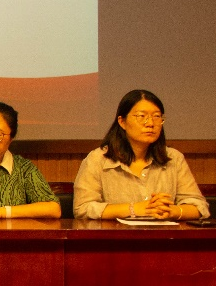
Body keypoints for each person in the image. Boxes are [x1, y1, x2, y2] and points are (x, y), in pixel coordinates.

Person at [73, 89, 208, 220]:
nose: (150, 123)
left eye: (156, 116)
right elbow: (83, 208)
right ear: (122, 122)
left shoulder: (174, 158)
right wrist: (133, 209)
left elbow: (199, 206)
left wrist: (171, 211)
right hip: (118, 234)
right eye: (141, 116)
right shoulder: (98, 159)